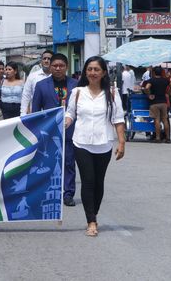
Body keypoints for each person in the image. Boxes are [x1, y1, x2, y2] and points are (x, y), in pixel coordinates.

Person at [65, 56, 125, 237]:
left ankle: (94, 213)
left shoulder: (112, 93)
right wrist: (65, 122)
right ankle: (91, 221)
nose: (92, 73)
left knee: (99, 183)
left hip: (103, 143)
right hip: (81, 142)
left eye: (96, 69)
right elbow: (70, 113)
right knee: (88, 181)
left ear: (103, 72)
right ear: (85, 72)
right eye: (89, 69)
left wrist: (121, 142)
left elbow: (118, 119)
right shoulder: (77, 92)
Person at [32, 53, 78, 207]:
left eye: (61, 66)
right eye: (55, 66)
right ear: (49, 67)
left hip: (70, 130)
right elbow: (36, 110)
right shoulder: (41, 85)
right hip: (49, 131)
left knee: (69, 163)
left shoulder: (75, 85)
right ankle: (48, 192)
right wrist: (37, 131)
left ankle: (68, 193)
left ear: (67, 67)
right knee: (48, 163)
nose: (58, 68)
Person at [21, 50, 53, 116]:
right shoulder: (32, 76)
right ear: (41, 61)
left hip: (53, 114)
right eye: (44, 58)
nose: (46, 61)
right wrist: (23, 113)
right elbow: (26, 95)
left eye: (49, 59)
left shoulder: (56, 77)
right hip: (36, 113)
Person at [143, 66, 171, 143]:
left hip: (154, 103)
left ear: (154, 72)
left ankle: (158, 138)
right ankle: (168, 138)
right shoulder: (165, 80)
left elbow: (146, 88)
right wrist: (167, 94)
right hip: (164, 102)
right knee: (165, 120)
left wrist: (149, 94)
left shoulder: (151, 80)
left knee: (157, 120)